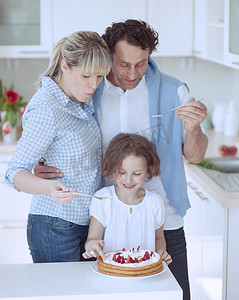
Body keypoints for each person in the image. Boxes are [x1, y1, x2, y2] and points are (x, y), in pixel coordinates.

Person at [33, 20, 208, 299]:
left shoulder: (175, 93)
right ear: (108, 56)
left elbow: (196, 156)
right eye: (123, 64)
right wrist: (39, 161)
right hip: (108, 222)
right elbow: (53, 127)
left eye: (141, 63)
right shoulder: (89, 91)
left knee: (176, 294)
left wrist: (194, 129)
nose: (132, 73)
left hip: (165, 219)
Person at [5, 31, 112, 263]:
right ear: (65, 66)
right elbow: (14, 173)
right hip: (54, 226)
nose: (94, 84)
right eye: (86, 76)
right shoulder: (47, 108)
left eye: (100, 76)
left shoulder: (81, 99)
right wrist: (49, 187)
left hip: (87, 223)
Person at [82, 133, 172, 266]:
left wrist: (161, 253)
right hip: (111, 272)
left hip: (144, 273)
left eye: (136, 174)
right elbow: (92, 239)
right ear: (113, 168)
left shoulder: (154, 202)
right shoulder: (102, 199)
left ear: (148, 170)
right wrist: (92, 246)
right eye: (122, 172)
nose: (128, 180)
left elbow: (159, 238)